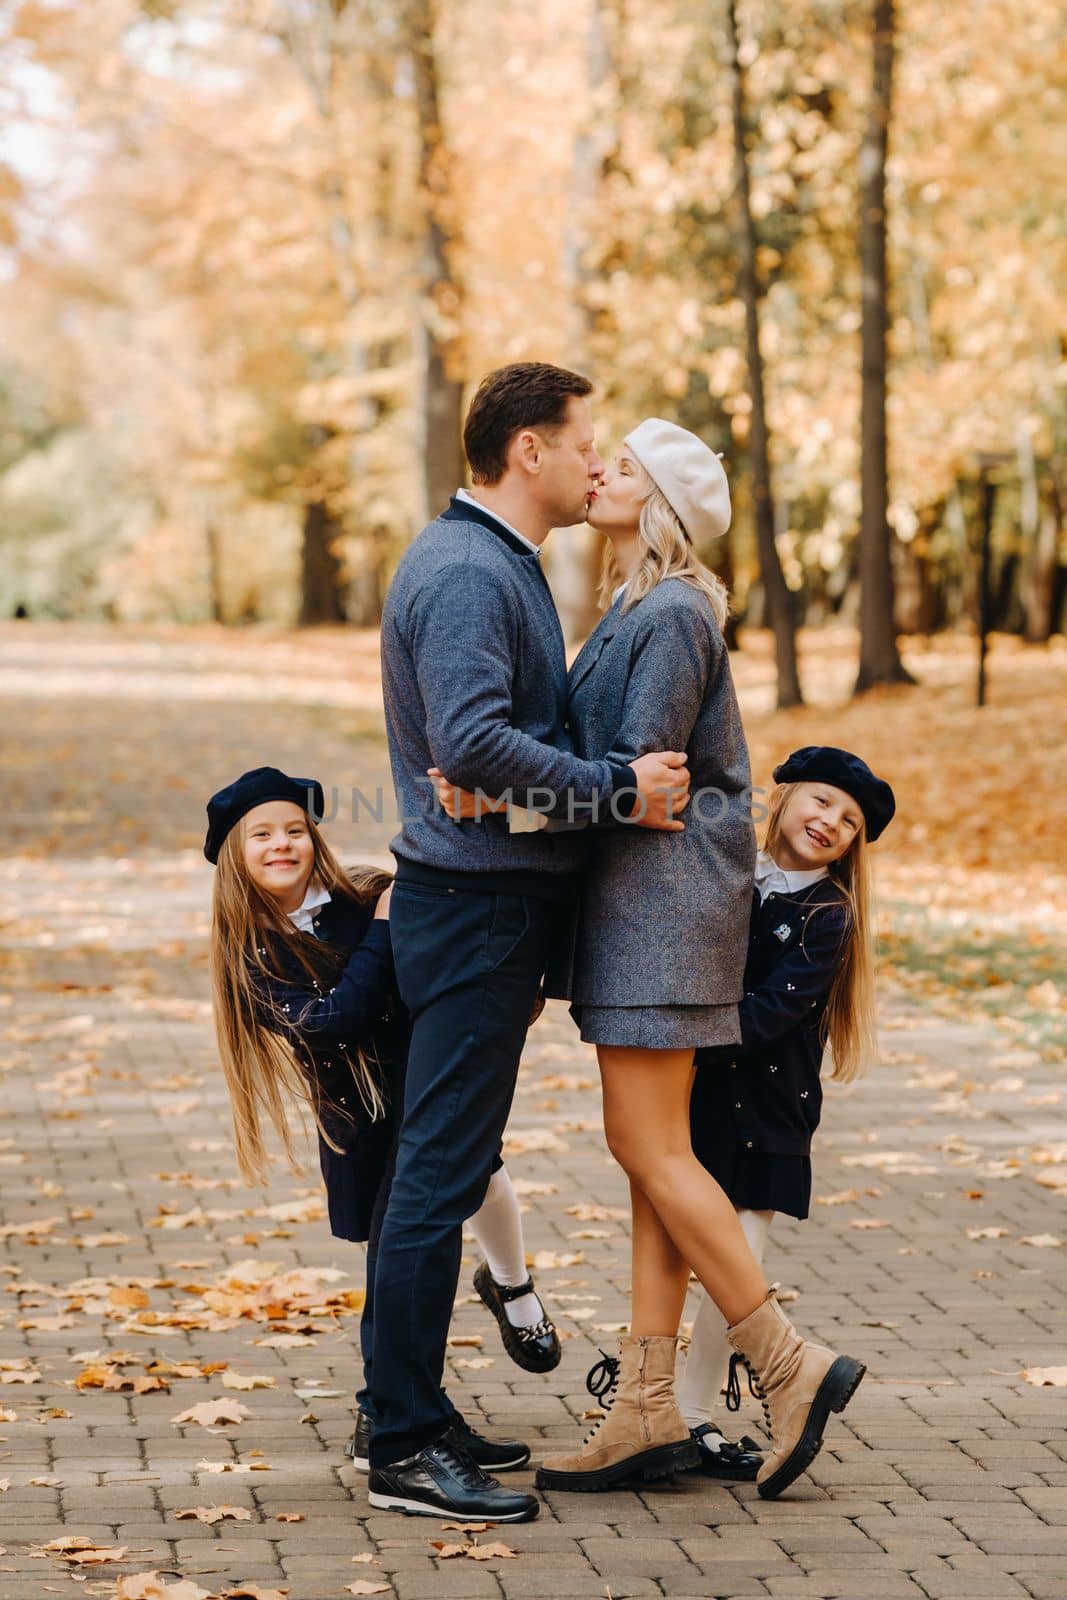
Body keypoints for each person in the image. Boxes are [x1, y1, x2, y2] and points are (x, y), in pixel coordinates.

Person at [437, 421, 867, 1503]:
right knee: (651, 1158)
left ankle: (785, 1362)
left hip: (664, 914)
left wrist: (497, 799)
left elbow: (635, 783)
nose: (599, 474)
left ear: (662, 503)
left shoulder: (672, 614)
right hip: (644, 913)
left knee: (644, 1143)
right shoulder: (637, 605)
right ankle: (643, 1407)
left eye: (621, 467)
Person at [372, 363, 692, 1524]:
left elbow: (483, 762)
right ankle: (402, 1439)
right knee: (437, 1172)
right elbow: (469, 735)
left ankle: (406, 1408)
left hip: (481, 898)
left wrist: (522, 799)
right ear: (526, 452)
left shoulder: (488, 560)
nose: (589, 461)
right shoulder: (468, 570)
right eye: (579, 442)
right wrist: (614, 788)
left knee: (442, 1162)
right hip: (473, 913)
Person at [203, 765, 561, 1485]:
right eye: (262, 835)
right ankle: (394, 1415)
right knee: (394, 1269)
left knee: (433, 1251)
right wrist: (385, 928)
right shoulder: (255, 954)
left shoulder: (364, 893)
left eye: (295, 830)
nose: (283, 844)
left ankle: (407, 1405)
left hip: (428, 1093)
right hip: (360, 1126)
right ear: (235, 858)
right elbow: (337, 1017)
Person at [679, 746, 895, 1478]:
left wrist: (672, 1041)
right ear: (785, 796)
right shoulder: (727, 875)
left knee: (731, 1265)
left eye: (849, 821)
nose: (830, 822)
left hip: (771, 1112)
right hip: (699, 1102)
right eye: (821, 802)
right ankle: (666, 1402)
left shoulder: (826, 915)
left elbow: (770, 1013)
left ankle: (693, 1414)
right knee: (684, 1249)